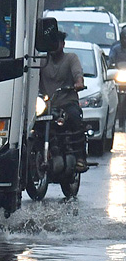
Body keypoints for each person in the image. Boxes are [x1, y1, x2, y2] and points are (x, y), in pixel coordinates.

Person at [39, 31, 88, 170]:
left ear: (63, 44)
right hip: (46, 106)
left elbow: (77, 73)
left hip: (67, 103)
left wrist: (79, 82)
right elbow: (32, 76)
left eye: (57, 42)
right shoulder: (41, 61)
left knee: (74, 119)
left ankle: (80, 157)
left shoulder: (71, 58)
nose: (54, 46)